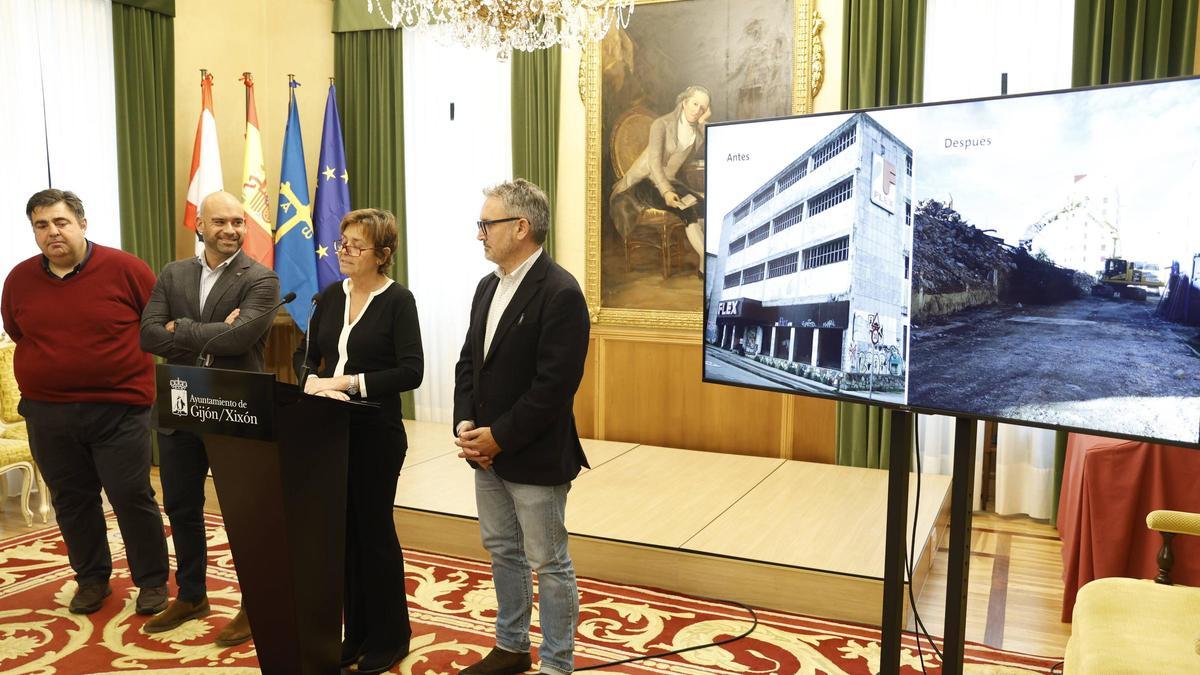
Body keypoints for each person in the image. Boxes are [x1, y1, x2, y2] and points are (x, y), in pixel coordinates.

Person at [0, 189, 170, 615]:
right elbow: (18, 332)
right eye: (42, 225)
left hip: (119, 409)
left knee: (131, 494)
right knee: (72, 500)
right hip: (47, 412)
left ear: (82, 224)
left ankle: (151, 581)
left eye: (61, 222)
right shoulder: (19, 279)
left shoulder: (126, 269)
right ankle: (91, 579)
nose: (52, 232)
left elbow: (157, 326)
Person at [454, 179, 591, 675]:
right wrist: (468, 425)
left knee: (549, 563)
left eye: (486, 225)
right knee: (502, 552)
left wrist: (499, 436)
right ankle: (511, 648)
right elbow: (469, 362)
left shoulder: (561, 292)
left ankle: (557, 664)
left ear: (521, 227)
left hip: (533, 455)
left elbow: (553, 388)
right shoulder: (487, 286)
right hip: (484, 451)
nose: (480, 235)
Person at [139, 190, 280, 645]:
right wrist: (212, 333)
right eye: (220, 222)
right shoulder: (173, 273)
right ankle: (192, 595)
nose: (231, 230)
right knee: (181, 506)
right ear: (199, 226)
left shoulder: (261, 278)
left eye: (238, 222)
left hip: (235, 409)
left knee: (244, 513)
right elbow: (147, 336)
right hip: (181, 407)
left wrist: (181, 329)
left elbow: (240, 339)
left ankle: (254, 605)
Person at [294, 208, 423, 675]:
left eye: (355, 245)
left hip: (376, 434)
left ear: (383, 255)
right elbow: (307, 355)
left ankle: (391, 637)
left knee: (374, 535)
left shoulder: (397, 301)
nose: (343, 251)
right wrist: (309, 379)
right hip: (328, 433)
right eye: (342, 241)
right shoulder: (330, 296)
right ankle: (358, 633)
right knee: (344, 537)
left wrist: (349, 383)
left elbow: (411, 371)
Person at [609, 85, 712, 266]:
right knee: (686, 209)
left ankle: (706, 261)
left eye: (702, 108)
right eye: (695, 104)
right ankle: (706, 263)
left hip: (668, 181)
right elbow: (654, 164)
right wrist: (665, 192)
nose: (697, 110)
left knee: (703, 206)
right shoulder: (662, 125)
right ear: (684, 102)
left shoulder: (695, 131)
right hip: (645, 183)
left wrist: (703, 122)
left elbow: (702, 147)